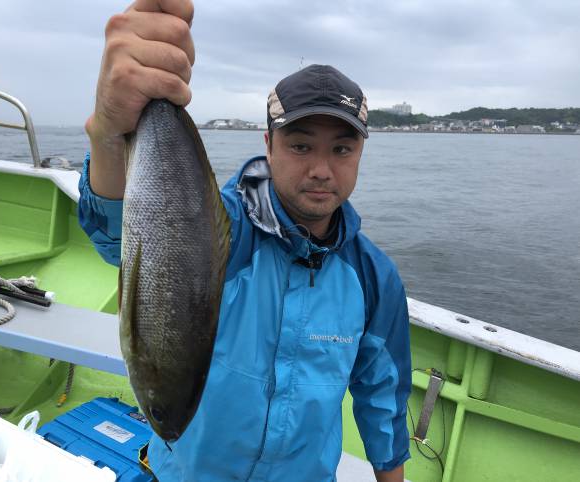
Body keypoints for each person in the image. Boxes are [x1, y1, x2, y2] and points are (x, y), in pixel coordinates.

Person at [78, 1, 411, 481]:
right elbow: (116, 235)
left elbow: (383, 398)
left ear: (360, 153)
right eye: (301, 146)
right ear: (269, 145)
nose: (322, 169)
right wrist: (108, 133)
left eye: (342, 149)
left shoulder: (374, 277)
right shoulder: (225, 230)